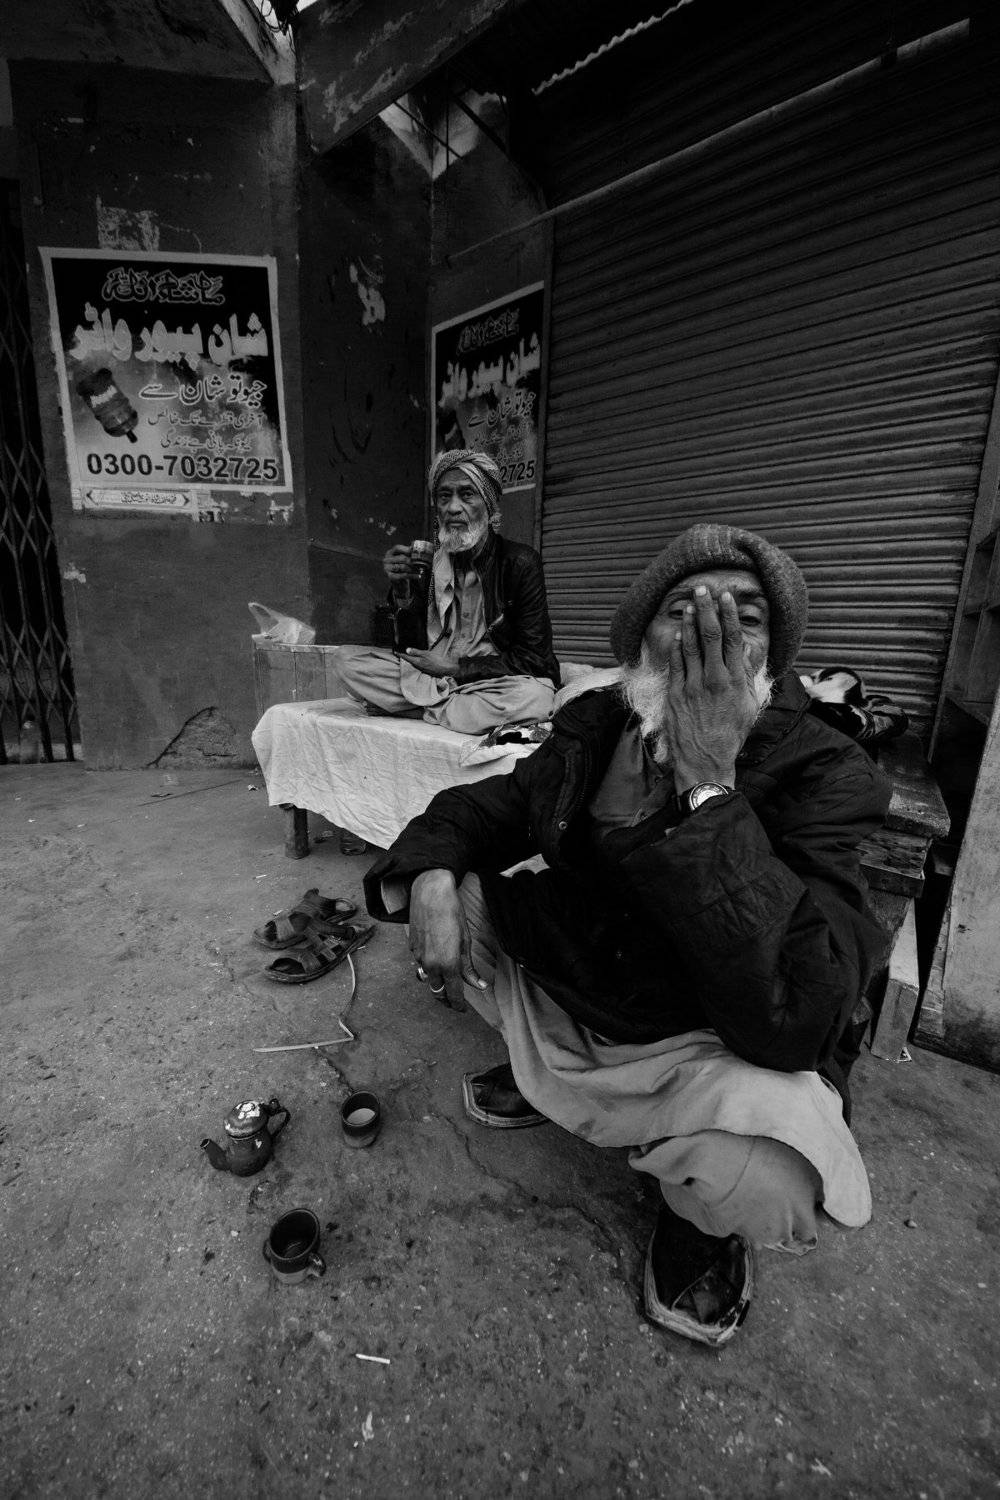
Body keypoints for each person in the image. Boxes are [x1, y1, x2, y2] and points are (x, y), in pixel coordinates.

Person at [364, 522, 892, 1347]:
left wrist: (709, 784)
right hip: (589, 977)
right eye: (684, 610)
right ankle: (550, 1080)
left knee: (773, 1171)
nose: (711, 633)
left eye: (745, 617)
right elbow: (490, 807)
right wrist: (430, 869)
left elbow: (796, 1015)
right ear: (640, 641)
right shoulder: (599, 722)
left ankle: (697, 1223)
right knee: (452, 896)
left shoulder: (827, 769)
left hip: (707, 1032)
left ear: (775, 656)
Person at [334, 450, 560, 736]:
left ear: (488, 505)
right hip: (430, 676)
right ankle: (456, 710)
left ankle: (419, 708)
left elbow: (535, 660)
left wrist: (455, 667)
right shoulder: (428, 562)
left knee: (536, 698)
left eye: (467, 495)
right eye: (444, 497)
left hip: (490, 679)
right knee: (346, 661)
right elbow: (408, 647)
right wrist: (402, 590)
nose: (453, 507)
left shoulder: (520, 562)